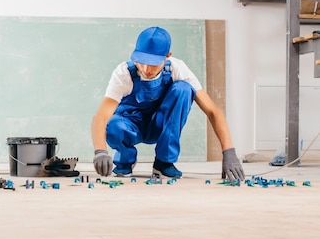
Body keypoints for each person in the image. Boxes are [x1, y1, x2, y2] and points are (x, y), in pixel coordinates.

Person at [91, 26, 245, 182]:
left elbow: (213, 111)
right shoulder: (123, 73)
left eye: (153, 63)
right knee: (113, 124)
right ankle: (125, 160)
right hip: (130, 126)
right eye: (141, 61)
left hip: (160, 124)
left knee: (184, 89)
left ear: (167, 56)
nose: (146, 69)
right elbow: (101, 117)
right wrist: (100, 151)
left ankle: (163, 163)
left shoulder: (178, 69)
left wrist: (229, 152)